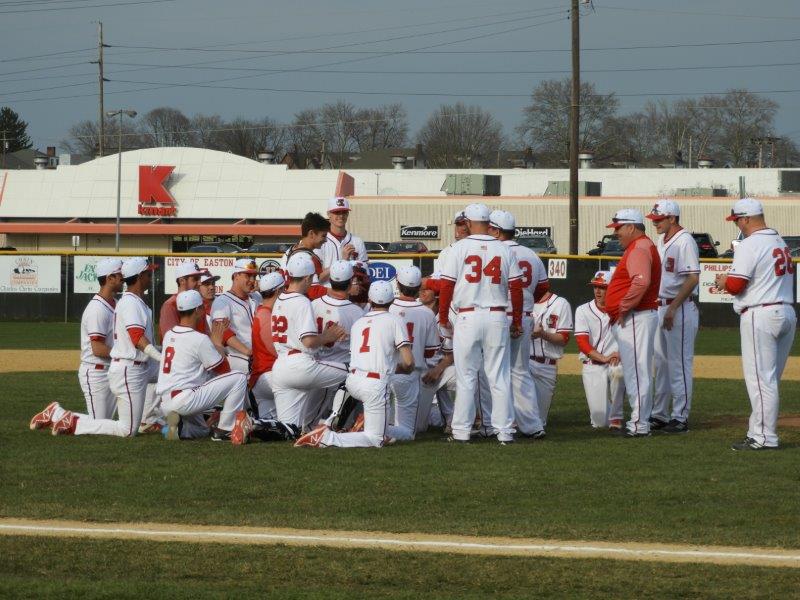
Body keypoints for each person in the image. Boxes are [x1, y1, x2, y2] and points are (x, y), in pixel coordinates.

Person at [35, 257, 162, 437]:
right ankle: (58, 414)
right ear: (109, 278)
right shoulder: (97, 309)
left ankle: (60, 415)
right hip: (97, 371)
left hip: (116, 366)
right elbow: (98, 349)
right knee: (107, 426)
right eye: (119, 274)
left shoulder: (118, 303)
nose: (122, 277)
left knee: (107, 424)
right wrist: (127, 353)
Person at [437, 203, 524, 444]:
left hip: (468, 316)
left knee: (466, 377)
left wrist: (443, 317)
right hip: (497, 315)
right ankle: (504, 431)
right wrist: (516, 319)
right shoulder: (505, 249)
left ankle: (462, 431)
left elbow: (446, 286)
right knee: (499, 376)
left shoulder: (460, 247)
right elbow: (516, 287)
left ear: (468, 222)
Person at [715, 198, 797, 451]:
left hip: (760, 314)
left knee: (761, 381)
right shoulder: (778, 240)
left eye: (738, 220)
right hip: (786, 312)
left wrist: (723, 281)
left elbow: (737, 285)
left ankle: (764, 437)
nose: (737, 224)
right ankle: (756, 431)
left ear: (747, 218)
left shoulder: (751, 244)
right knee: (769, 380)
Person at [295, 280, 414, 448]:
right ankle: (326, 438)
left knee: (397, 434)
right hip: (374, 384)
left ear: (370, 300)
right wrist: (403, 369)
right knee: (376, 439)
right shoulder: (394, 320)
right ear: (392, 301)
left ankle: (362, 427)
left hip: (352, 381)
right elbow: (409, 362)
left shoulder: (359, 322)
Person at [269, 253, 349, 430]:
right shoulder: (301, 301)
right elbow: (309, 341)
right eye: (311, 278)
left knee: (288, 429)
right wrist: (328, 336)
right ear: (306, 278)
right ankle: (333, 423)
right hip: (301, 365)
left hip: (281, 367)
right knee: (354, 374)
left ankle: (253, 424)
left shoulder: (279, 300)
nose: (312, 281)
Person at [157, 290, 247, 442]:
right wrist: (217, 343)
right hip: (185, 398)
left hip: (166, 401)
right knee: (239, 378)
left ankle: (178, 430)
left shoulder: (169, 335)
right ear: (198, 310)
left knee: (203, 431)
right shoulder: (199, 339)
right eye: (202, 307)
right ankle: (225, 428)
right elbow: (223, 370)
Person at [489, 209, 549, 438]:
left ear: (495, 230)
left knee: (495, 372)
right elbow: (543, 288)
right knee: (520, 371)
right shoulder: (532, 255)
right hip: (524, 316)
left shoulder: (495, 251)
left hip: (500, 316)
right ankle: (533, 425)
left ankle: (501, 423)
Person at [605, 209, 661, 437]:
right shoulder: (638, 246)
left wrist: (623, 307)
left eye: (619, 228)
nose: (616, 232)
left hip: (637, 316)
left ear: (631, 227)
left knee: (637, 373)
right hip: (636, 317)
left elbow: (641, 282)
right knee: (635, 372)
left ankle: (639, 425)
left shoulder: (639, 248)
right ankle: (638, 423)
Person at [646, 200, 700, 434]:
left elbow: (693, 278)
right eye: (654, 219)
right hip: (662, 306)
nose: (655, 223)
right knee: (662, 364)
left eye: (659, 219)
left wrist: (673, 308)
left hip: (680, 308)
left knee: (679, 364)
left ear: (673, 218)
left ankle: (680, 417)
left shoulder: (685, 241)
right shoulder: (662, 240)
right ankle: (660, 414)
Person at [308, 260, 367, 425]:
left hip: (314, 367)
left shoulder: (313, 305)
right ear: (350, 283)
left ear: (331, 281)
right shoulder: (356, 312)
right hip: (342, 374)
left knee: (311, 418)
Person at [388, 266, 440, 440]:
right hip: (411, 373)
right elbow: (431, 352)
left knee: (386, 419)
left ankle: (371, 427)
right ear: (419, 287)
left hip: (385, 371)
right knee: (409, 431)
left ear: (397, 283)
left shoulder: (386, 307)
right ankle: (375, 429)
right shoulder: (427, 313)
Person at [574, 270, 625, 429]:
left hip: (614, 362)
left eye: (602, 287)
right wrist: (603, 358)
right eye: (595, 287)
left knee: (619, 371)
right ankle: (608, 411)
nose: (597, 291)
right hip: (592, 364)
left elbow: (631, 338)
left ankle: (616, 416)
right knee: (600, 423)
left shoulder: (623, 309)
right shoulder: (583, 310)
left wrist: (621, 353)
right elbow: (582, 343)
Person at [530, 286, 573, 429]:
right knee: (519, 417)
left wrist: (543, 334)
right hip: (523, 364)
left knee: (539, 422)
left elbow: (564, 339)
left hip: (547, 366)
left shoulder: (560, 304)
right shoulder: (522, 301)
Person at [210, 258, 261, 375]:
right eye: (248, 276)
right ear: (236, 275)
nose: (252, 280)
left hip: (258, 357)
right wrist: (248, 351)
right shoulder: (222, 302)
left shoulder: (256, 297)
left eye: (254, 276)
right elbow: (222, 332)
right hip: (237, 359)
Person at [250, 271, 285, 420]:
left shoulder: (262, 311)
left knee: (268, 426)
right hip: (270, 377)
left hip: (261, 379)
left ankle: (251, 425)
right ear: (277, 291)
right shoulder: (266, 315)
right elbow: (277, 351)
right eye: (283, 289)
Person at [282, 211, 331, 300]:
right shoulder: (307, 258)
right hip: (301, 304)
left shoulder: (289, 251)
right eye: (323, 236)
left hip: (287, 301)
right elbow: (313, 291)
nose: (326, 240)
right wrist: (340, 292)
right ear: (311, 234)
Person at [318, 197, 368, 281]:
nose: (341, 216)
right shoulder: (320, 241)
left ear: (348, 214)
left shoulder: (357, 241)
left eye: (344, 212)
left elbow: (364, 274)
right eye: (337, 212)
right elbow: (318, 278)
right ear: (328, 214)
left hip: (350, 292)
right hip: (326, 292)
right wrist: (343, 261)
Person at [159, 261, 205, 339]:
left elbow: (205, 332)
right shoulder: (170, 305)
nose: (200, 283)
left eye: (199, 279)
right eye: (195, 279)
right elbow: (171, 340)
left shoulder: (199, 302)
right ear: (182, 281)